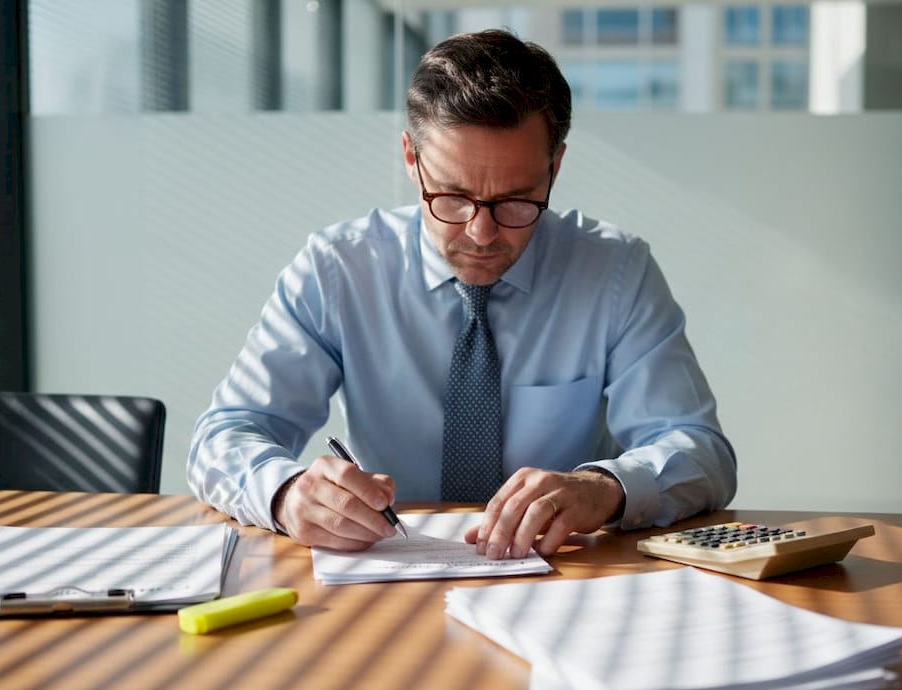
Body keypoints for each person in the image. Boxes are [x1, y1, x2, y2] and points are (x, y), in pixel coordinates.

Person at [187, 28, 736, 560]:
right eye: (451, 197)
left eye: (517, 202)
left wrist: (604, 487)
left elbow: (701, 451)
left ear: (556, 167)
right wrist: (285, 493)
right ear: (410, 158)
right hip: (388, 571)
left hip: (567, 575)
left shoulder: (616, 271)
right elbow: (226, 435)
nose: (481, 233)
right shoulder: (340, 269)